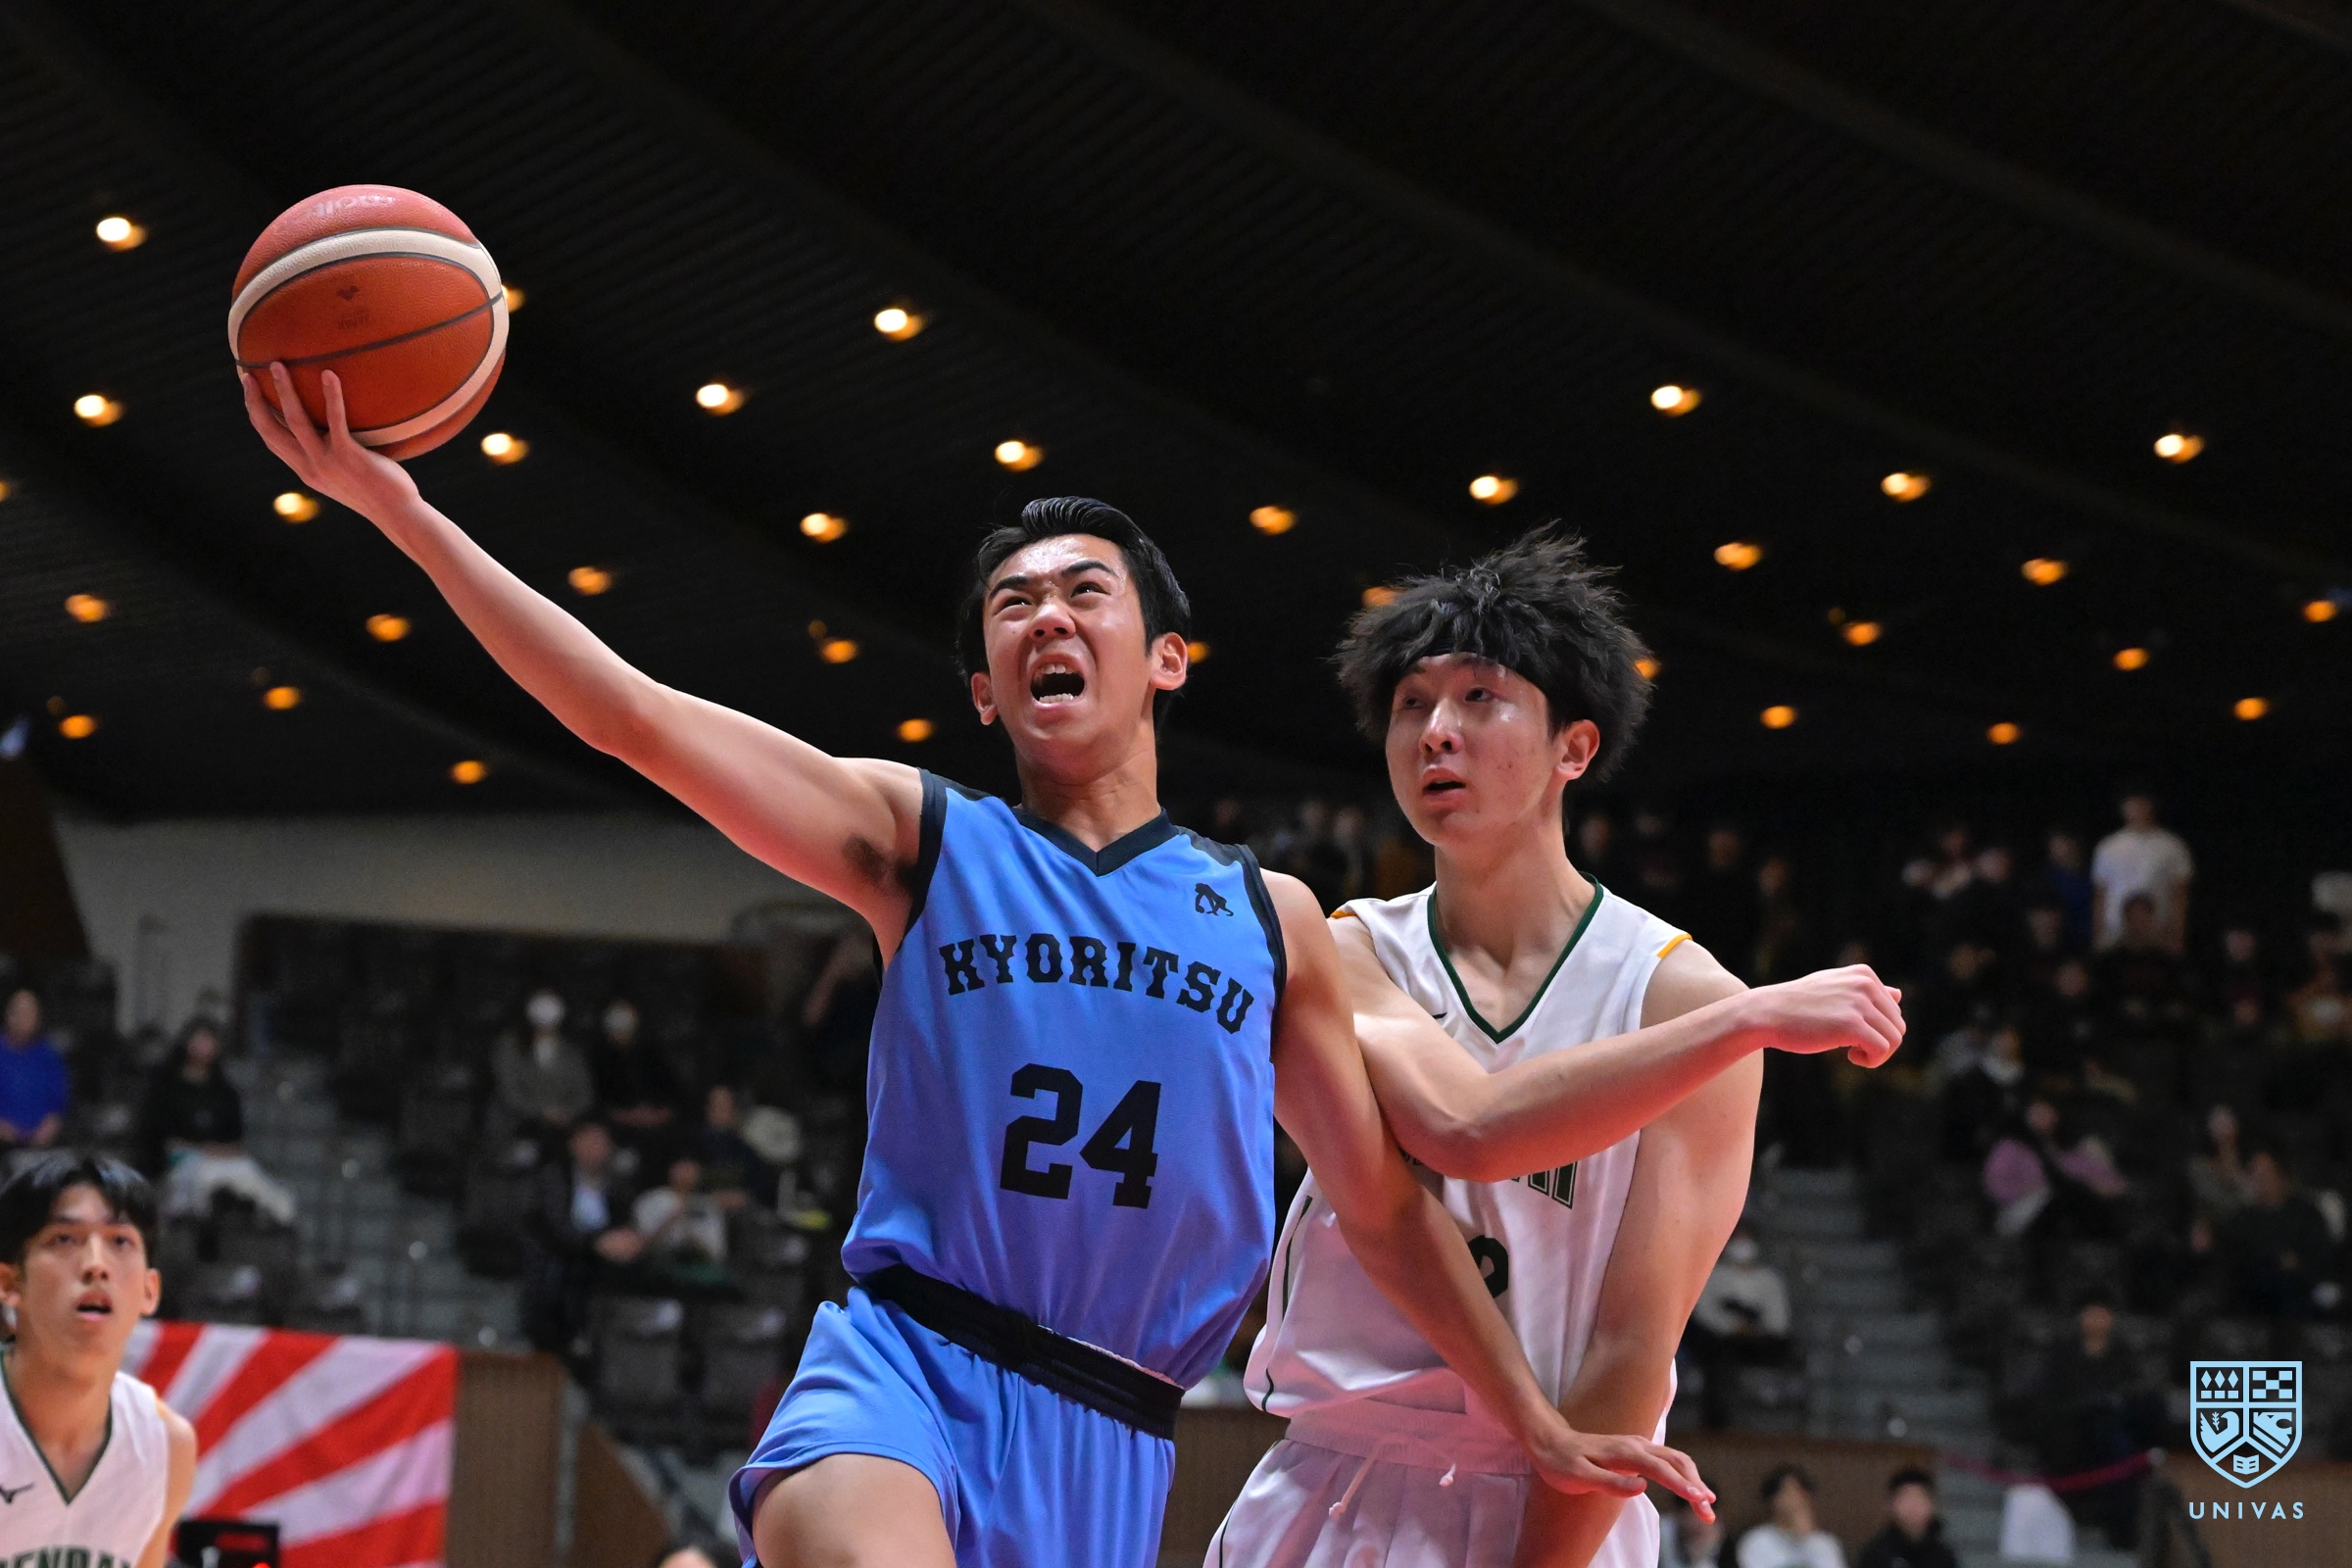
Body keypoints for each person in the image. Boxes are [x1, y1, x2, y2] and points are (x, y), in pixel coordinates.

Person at [246, 376, 1704, 1568]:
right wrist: (405, 513)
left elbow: (1385, 1210)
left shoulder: (1268, 920)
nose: (1047, 615)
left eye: (1085, 592)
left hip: (1114, 1429)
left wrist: (1532, 1418)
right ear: (985, 692)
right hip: (903, 1368)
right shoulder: (922, 840)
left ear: (1168, 659)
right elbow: (631, 715)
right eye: (1013, 605)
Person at [1214, 529, 1903, 1568]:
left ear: (1573, 749)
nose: (1436, 732)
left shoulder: (1675, 992)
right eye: (1411, 704)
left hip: (1566, 1498)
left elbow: (1632, 1349)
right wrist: (1747, 1019)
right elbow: (1465, 1126)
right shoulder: (1344, 950)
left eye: (1479, 698)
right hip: (1336, 1478)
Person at [0, 1154, 195, 1568]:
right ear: (9, 1282)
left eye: (120, 1242)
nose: (96, 1265)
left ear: (149, 1291)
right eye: (64, 1239)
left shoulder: (166, 1446)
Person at [138, 1017, 296, 1226]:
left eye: (209, 1040)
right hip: (181, 1164)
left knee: (249, 1175)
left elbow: (234, 1140)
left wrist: (215, 1151)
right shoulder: (166, 1089)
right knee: (204, 1178)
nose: (203, 1047)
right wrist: (197, 1150)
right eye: (199, 1039)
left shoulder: (225, 1093)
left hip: (222, 1160)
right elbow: (163, 1141)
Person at [2033, 1292, 2153, 1549]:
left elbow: (2134, 1394)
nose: (2098, 1319)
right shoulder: (2064, 1354)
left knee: (2120, 1447)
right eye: (2092, 1313)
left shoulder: (2123, 1355)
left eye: (2103, 1313)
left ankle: (2122, 1531)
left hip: (2111, 1434)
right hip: (2071, 1430)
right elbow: (2050, 1399)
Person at [1685, 1226, 1793, 1430]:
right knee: (1719, 1361)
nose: (1743, 1247)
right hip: (1720, 1343)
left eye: (1747, 1241)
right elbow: (1704, 1313)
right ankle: (1718, 1426)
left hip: (1758, 1343)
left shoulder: (1769, 1280)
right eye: (1738, 1241)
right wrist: (1734, 1327)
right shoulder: (1713, 1275)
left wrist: (1754, 1331)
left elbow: (1779, 1321)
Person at [493, 990, 596, 1152]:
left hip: (564, 1128)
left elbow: (584, 1093)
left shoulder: (572, 1050)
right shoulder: (510, 1044)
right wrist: (543, 1112)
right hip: (519, 1125)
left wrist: (567, 1113)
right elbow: (509, 1091)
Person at [2090, 790, 2191, 953]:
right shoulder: (2108, 846)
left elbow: (2180, 894)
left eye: (2141, 804)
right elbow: (2100, 893)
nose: (2136, 809)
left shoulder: (2172, 845)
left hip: (2158, 931)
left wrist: (2178, 933)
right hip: (2116, 932)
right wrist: (2098, 932)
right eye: (2131, 805)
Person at [592, 999, 681, 1161]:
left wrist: (660, 1112)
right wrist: (629, 1115)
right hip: (619, 1127)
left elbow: (672, 1090)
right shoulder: (598, 1057)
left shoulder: (651, 1053)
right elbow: (599, 1101)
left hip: (656, 1124)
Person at [0, 991, 69, 1155]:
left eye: (30, 1013)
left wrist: (50, 1126)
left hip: (42, 1146)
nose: (25, 1018)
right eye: (20, 1012)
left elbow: (59, 1101)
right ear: (8, 1016)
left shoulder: (49, 1055)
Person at [1737, 1465, 1845, 1568]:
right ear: (1774, 1500)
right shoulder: (1757, 1541)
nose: (1798, 1499)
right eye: (1791, 1492)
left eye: (1802, 1493)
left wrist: (1806, 1539)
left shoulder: (1825, 1543)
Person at [1854, 1468, 1957, 1568]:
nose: (1912, 1507)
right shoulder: (1875, 1555)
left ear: (1933, 1505)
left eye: (1919, 1498)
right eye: (1905, 1499)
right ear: (1890, 1505)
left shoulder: (1943, 1555)